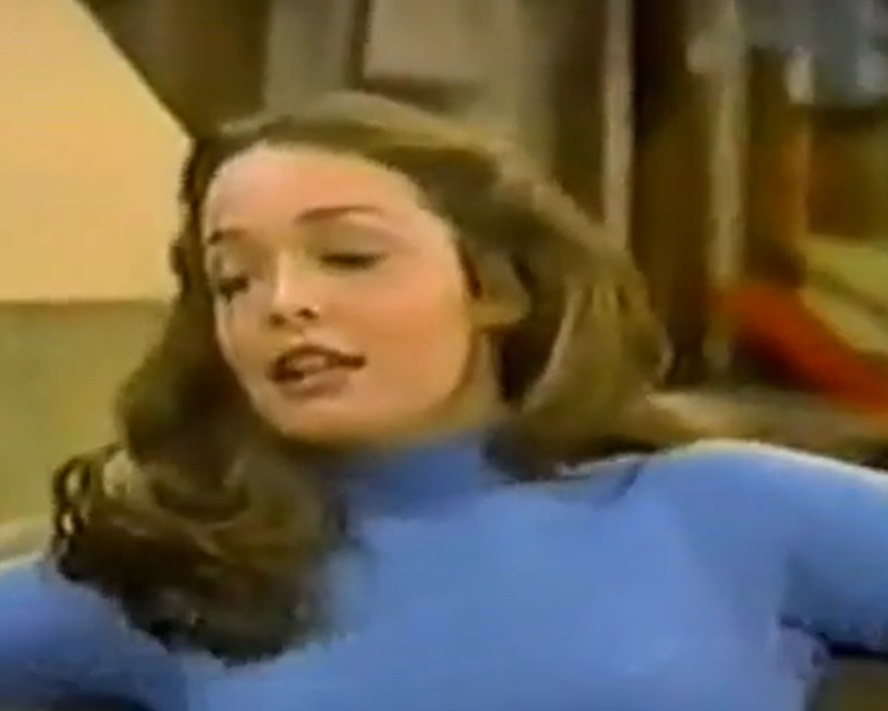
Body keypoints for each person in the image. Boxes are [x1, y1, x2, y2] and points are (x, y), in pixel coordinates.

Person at [1, 92, 888, 711]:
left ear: (498, 288)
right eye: (233, 279)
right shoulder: (176, 566)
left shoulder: (726, 507)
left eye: (349, 257)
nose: (283, 303)